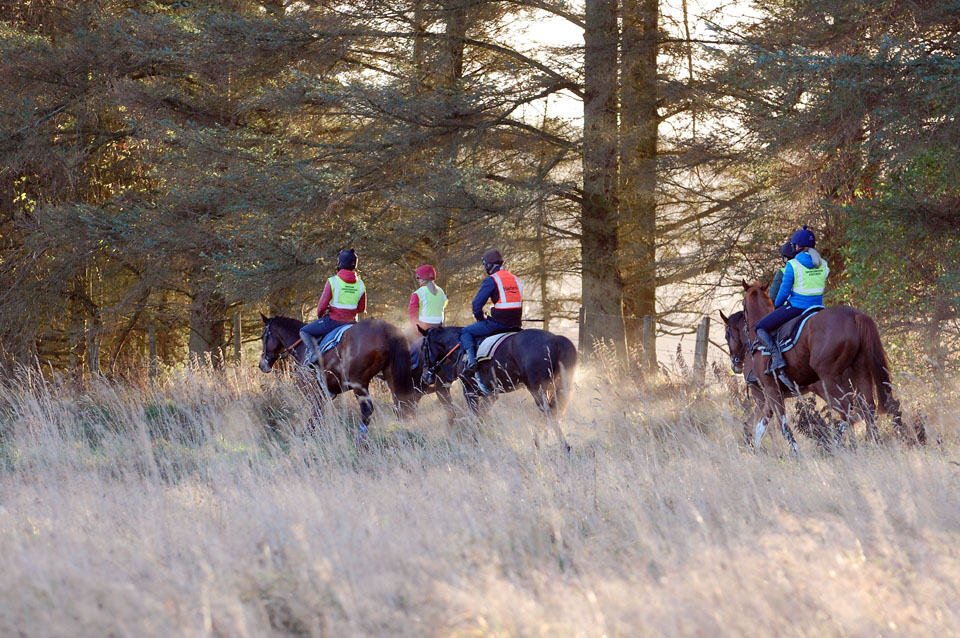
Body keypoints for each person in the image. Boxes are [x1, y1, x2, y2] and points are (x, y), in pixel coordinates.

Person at [755, 226, 829, 374]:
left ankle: (777, 358)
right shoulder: (824, 264)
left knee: (760, 327)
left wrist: (777, 305)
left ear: (797, 246)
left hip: (797, 307)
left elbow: (784, 292)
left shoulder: (793, 265)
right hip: (819, 307)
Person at [459, 249, 523, 386]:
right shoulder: (516, 279)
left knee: (466, 331)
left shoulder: (491, 280)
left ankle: (471, 362)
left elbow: (476, 304)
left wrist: (480, 318)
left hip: (499, 324)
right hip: (517, 324)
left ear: (488, 265)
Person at [300, 249, 366, 366]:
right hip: (352, 323)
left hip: (334, 321)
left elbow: (321, 308)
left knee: (304, 331)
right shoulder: (361, 284)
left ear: (340, 263)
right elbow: (361, 309)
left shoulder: (333, 281)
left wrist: (321, 316)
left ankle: (314, 355)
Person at [408, 264, 448, 333]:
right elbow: (445, 303)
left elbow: (412, 313)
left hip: (424, 327)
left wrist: (415, 329)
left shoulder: (418, 293)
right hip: (439, 325)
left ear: (422, 279)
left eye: (418, 278)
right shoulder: (440, 291)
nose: (418, 280)